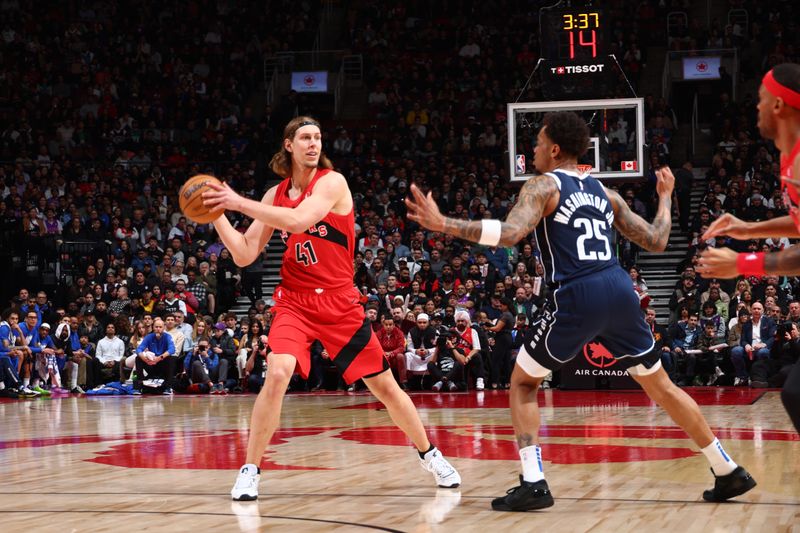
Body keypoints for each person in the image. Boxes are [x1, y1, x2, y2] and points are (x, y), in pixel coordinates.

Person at [405, 110, 755, 511]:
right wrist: (664, 196)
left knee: (522, 384)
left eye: (537, 143)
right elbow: (658, 240)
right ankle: (726, 469)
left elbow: (510, 235)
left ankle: (533, 482)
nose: (533, 149)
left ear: (554, 149)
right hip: (621, 289)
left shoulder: (543, 185)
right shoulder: (606, 194)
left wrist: (443, 223)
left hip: (577, 292)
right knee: (662, 387)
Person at [202, 116, 460, 501]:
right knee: (278, 371)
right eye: (305, 137)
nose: (313, 144)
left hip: (339, 301)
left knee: (385, 387)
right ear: (288, 144)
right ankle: (250, 469)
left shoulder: (333, 183)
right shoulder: (275, 193)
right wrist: (216, 214)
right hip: (295, 301)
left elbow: (299, 219)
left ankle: (430, 453)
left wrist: (238, 201)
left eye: (318, 137)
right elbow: (243, 254)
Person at [697, 63, 800, 432]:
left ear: (778, 105)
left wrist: (743, 263)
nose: (754, 108)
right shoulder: (790, 157)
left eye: (760, 100)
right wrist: (748, 228)